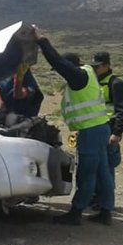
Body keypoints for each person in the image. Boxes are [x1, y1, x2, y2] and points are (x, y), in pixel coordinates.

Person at [30, 25, 114, 225]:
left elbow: (58, 62)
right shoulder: (87, 76)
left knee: (87, 172)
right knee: (103, 171)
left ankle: (76, 213)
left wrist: (41, 41)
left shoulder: (78, 77)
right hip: (101, 128)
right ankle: (106, 211)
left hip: (91, 132)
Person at [90, 52, 123, 208]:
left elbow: (122, 111)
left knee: (106, 169)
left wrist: (117, 133)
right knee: (98, 167)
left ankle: (105, 203)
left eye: (97, 66)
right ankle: (97, 198)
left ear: (106, 66)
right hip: (99, 129)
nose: (95, 69)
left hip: (110, 131)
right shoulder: (98, 82)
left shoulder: (116, 84)